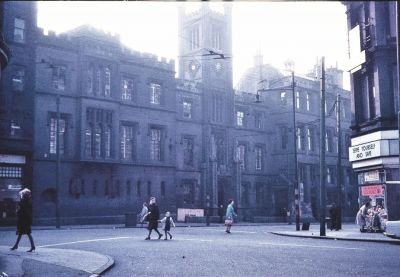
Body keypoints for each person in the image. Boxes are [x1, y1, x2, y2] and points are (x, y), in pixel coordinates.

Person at [10, 188, 35, 252]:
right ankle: (16, 245)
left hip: (24, 220)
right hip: (25, 219)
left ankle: (32, 246)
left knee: (27, 232)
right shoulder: (27, 201)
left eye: (22, 194)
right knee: (22, 232)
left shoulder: (24, 201)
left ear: (24, 195)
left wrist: (17, 211)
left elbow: (22, 210)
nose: (21, 195)